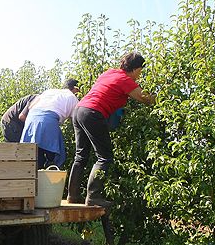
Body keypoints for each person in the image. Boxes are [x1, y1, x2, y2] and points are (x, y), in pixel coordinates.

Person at [67, 52, 155, 207]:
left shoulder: (109, 73)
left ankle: (72, 195)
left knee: (81, 157)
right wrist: (162, 98)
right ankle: (93, 196)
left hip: (79, 110)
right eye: (140, 72)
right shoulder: (125, 80)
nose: (139, 77)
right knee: (105, 157)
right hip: (93, 113)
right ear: (135, 69)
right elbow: (144, 98)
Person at [20, 79, 80, 169]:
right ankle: (51, 179)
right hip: (48, 121)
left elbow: (31, 106)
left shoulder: (49, 91)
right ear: (75, 89)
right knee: (56, 156)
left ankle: (34, 179)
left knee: (33, 155)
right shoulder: (73, 98)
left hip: (31, 119)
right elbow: (76, 121)